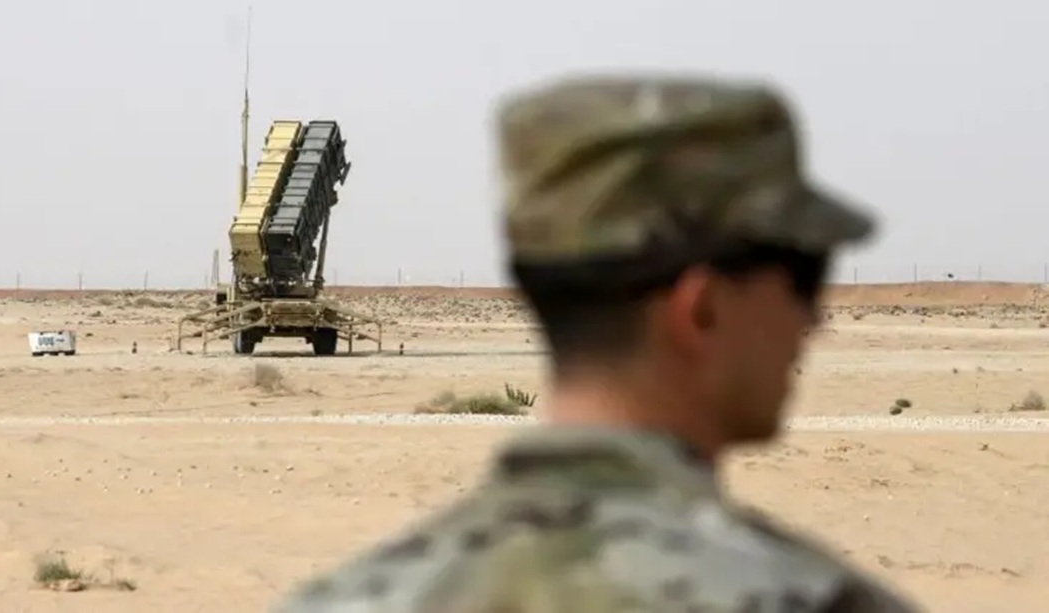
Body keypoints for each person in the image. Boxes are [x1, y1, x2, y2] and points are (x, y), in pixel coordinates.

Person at [270, 74, 920, 612]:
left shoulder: (342, 600)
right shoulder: (816, 599)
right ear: (701, 309)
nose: (814, 320)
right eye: (805, 278)